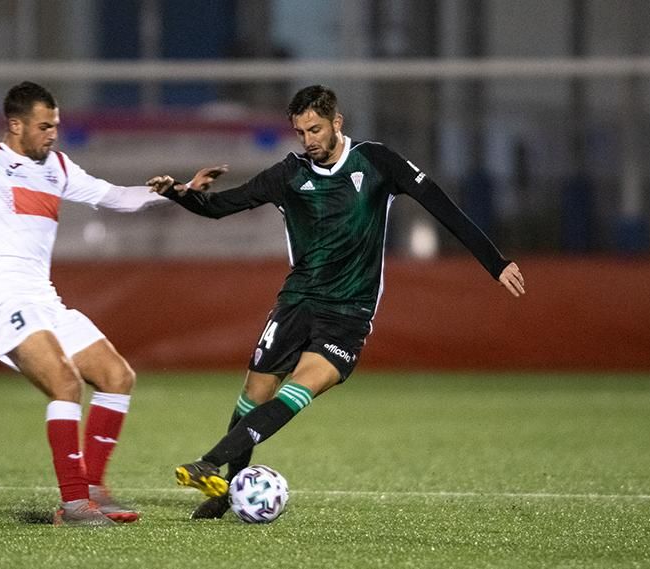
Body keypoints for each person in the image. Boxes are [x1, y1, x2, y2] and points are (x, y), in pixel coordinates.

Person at [148, 85, 526, 520]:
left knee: (298, 388)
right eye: (300, 132)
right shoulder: (288, 174)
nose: (308, 140)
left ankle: (209, 463)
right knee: (255, 391)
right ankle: (225, 490)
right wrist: (180, 192)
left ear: (337, 123)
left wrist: (495, 263)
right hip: (297, 302)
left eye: (315, 129)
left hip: (349, 312)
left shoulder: (377, 161)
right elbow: (219, 207)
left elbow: (444, 209)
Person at [0, 81, 220, 527]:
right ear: (15, 124)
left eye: (56, 125)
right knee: (65, 384)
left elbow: (115, 197)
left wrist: (178, 189)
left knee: (117, 377)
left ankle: (94, 490)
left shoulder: (57, 166)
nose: (52, 134)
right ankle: (76, 503)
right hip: (3, 299)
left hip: (44, 298)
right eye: (44, 126)